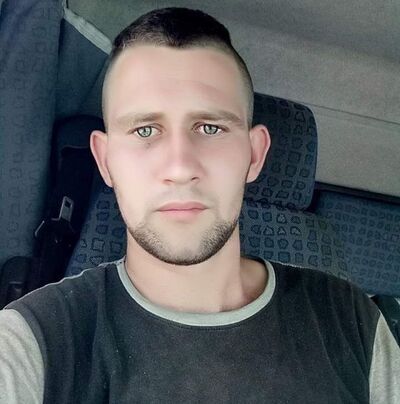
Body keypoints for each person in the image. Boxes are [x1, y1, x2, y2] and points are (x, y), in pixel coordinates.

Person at [0, 6, 399, 403]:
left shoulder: (352, 323)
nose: (179, 168)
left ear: (254, 155)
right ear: (105, 162)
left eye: (210, 127)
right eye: (145, 130)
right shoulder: (32, 342)